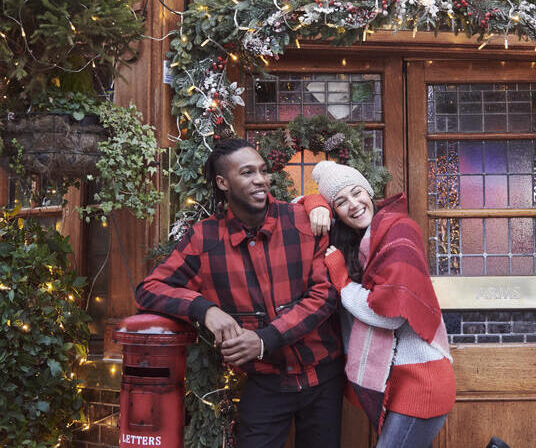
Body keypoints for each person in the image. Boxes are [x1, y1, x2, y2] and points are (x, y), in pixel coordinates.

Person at [135, 138, 343, 448]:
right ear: (223, 182)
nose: (261, 179)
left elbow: (325, 295)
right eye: (247, 173)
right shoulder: (204, 238)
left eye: (262, 170)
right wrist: (205, 310)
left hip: (323, 377)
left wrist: (264, 340)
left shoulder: (302, 221)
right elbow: (149, 289)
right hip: (265, 382)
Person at [311, 160, 456, 448]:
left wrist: (342, 282)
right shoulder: (362, 243)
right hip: (397, 380)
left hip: (421, 378)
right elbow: (292, 206)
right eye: (340, 201)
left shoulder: (398, 232)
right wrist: (315, 203)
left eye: (357, 193)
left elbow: (391, 314)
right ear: (335, 213)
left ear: (369, 191)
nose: (353, 204)